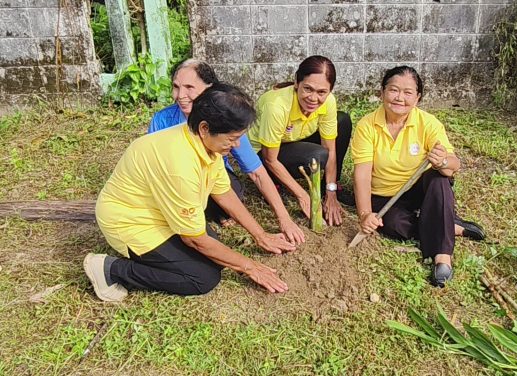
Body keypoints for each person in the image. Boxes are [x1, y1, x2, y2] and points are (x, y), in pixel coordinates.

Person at [84, 84, 296, 302]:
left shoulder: (203, 144)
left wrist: (261, 235)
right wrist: (250, 267)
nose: (237, 144)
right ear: (205, 128)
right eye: (232, 138)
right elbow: (194, 240)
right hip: (129, 221)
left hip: (161, 212)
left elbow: (223, 193)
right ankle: (111, 269)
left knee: (214, 251)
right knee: (202, 277)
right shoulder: (180, 166)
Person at [351, 66, 484, 287]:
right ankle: (447, 224)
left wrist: (442, 161)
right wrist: (365, 213)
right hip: (384, 194)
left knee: (439, 178)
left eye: (407, 92)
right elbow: (362, 174)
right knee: (392, 225)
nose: (399, 98)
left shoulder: (428, 123)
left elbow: (454, 165)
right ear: (382, 92)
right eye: (393, 90)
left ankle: (442, 256)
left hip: (420, 189)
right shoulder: (367, 125)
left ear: (417, 97)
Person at [149, 59, 304, 245]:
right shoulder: (162, 121)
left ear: (209, 90)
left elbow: (256, 171)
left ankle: (213, 212)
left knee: (228, 193)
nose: (180, 95)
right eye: (176, 86)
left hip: (215, 181)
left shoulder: (225, 119)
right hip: (178, 182)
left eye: (190, 87)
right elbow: (155, 169)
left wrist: (284, 218)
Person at [247, 55, 353, 227]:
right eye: (308, 89)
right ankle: (274, 183)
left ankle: (328, 185)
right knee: (317, 155)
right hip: (264, 156)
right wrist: (303, 197)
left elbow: (331, 149)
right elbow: (269, 158)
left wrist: (330, 192)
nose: (313, 98)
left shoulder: (329, 103)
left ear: (330, 91)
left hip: (295, 140)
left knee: (342, 122)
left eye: (321, 92)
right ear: (297, 82)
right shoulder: (277, 106)